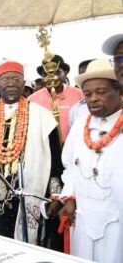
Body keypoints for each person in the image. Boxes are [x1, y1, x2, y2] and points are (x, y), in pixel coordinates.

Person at [0, 61, 63, 246]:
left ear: (24, 83)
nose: (11, 83)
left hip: (31, 192)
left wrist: (55, 194)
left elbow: (54, 158)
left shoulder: (43, 116)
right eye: (5, 79)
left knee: (29, 243)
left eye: (16, 79)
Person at [57, 59, 123, 262]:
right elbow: (69, 166)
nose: (93, 99)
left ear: (120, 92)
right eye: (88, 94)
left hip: (117, 221)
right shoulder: (79, 125)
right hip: (83, 218)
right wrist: (69, 197)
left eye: (101, 92)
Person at [29, 54, 84, 143]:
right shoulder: (32, 100)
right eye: (45, 74)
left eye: (57, 72)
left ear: (65, 74)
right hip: (46, 150)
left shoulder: (80, 95)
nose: (50, 77)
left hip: (76, 147)